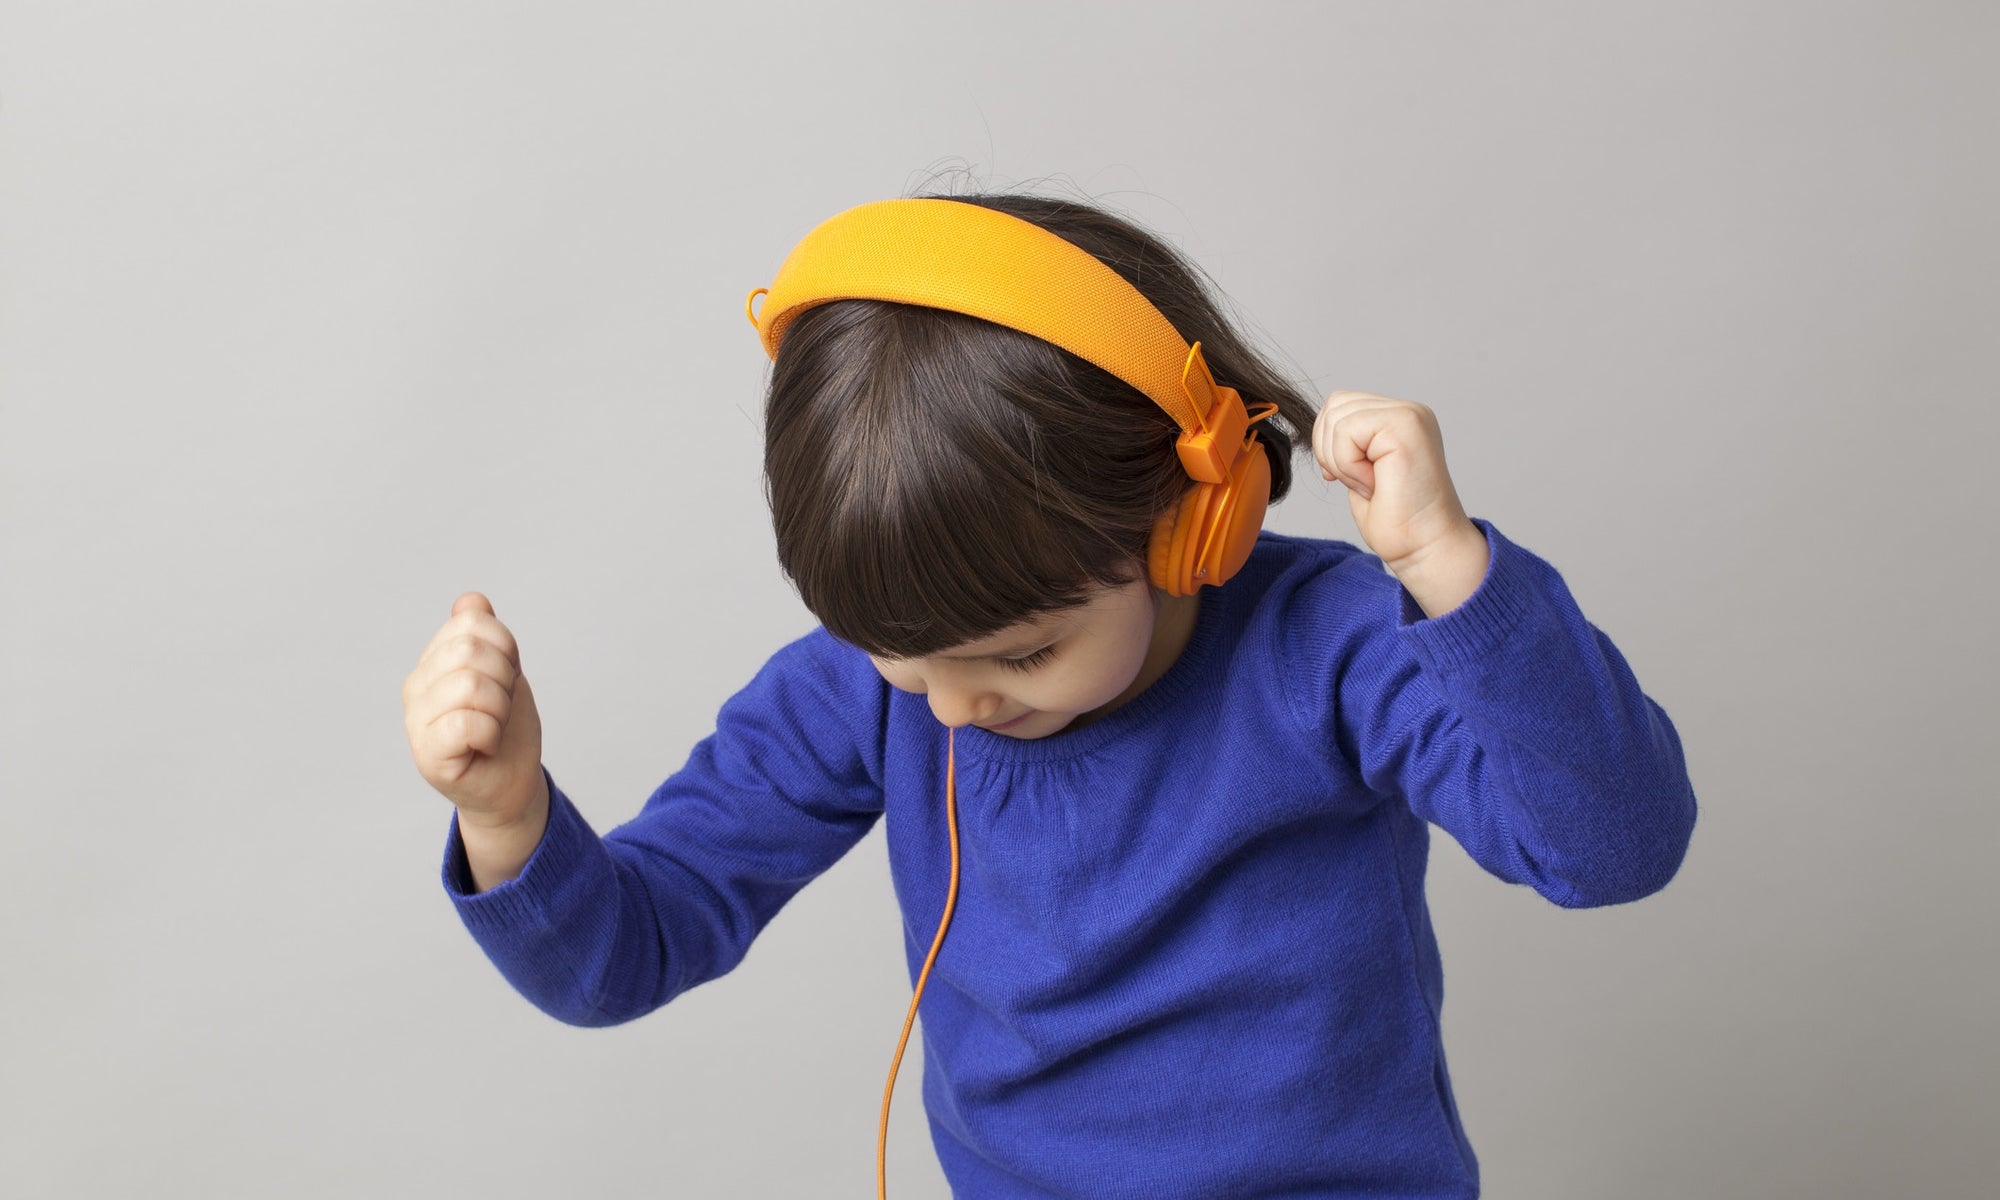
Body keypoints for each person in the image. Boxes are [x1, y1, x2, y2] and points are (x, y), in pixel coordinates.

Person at [400, 191, 1699, 1199]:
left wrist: (1454, 579)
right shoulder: (868, 692)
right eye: (914, 665)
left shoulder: (1339, 647)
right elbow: (629, 949)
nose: (954, 709)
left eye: (1021, 656)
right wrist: (510, 814)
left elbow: (1611, 848)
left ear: (1196, 520)